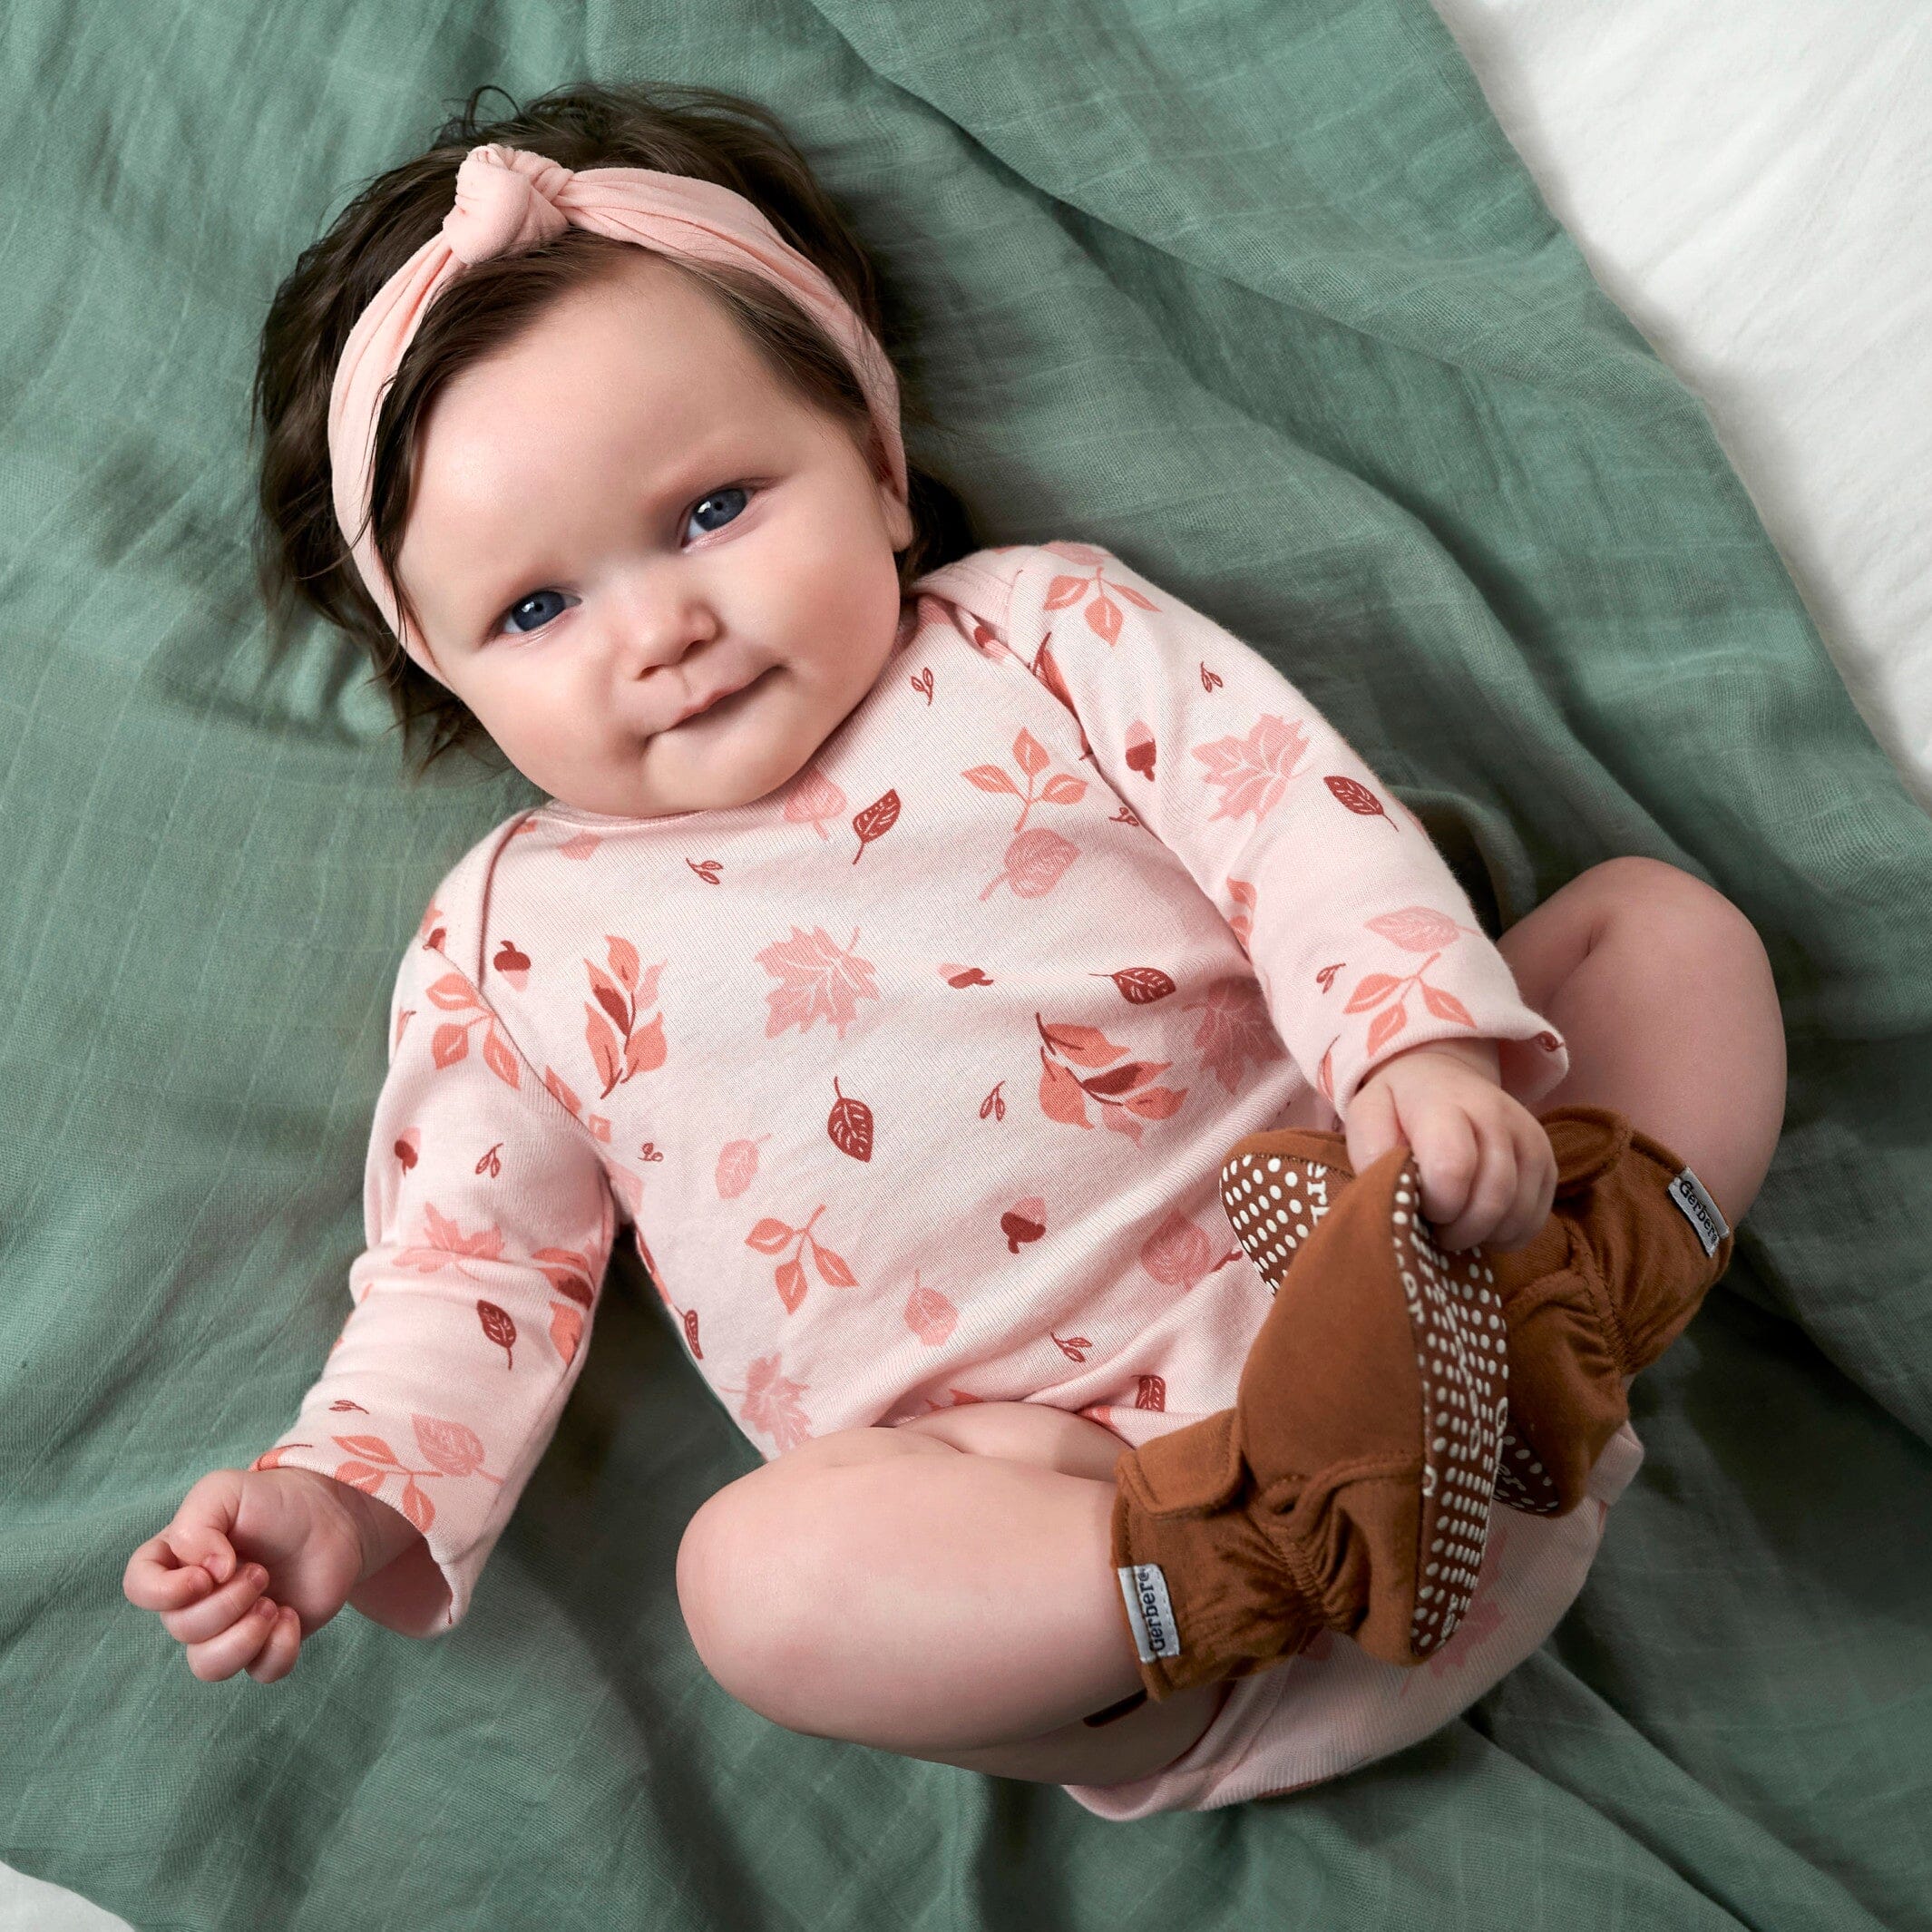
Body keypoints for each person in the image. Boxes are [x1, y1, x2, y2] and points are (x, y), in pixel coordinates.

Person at [122, 81, 1785, 1820]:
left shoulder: (1037, 635)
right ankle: (1267, 1539)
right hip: (1107, 1555)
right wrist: (339, 1491)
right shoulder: (504, 944)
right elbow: (467, 1274)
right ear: (451, 681)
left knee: (1658, 936)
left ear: (878, 465)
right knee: (754, 1582)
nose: (663, 628)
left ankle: (1554, 1317)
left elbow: (1290, 823)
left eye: (712, 510)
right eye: (537, 609)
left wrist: (1415, 1057)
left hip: (1398, 1263)